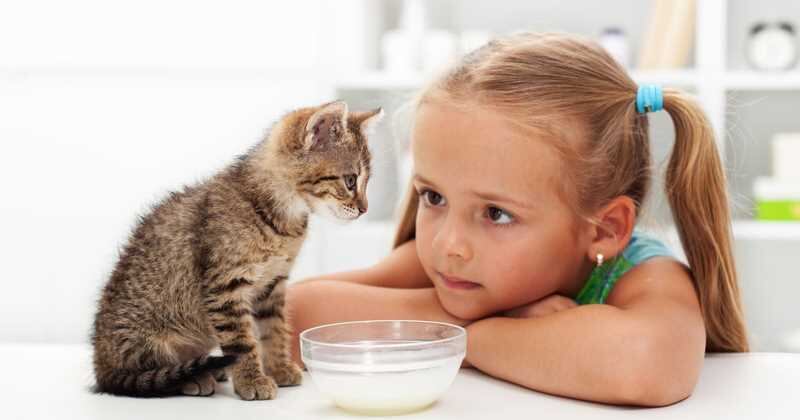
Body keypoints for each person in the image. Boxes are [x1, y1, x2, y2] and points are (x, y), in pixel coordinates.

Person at [286, 32, 749, 407]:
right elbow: (289, 317)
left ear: (605, 230)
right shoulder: (454, 265)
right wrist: (510, 327)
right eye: (434, 196)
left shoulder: (645, 275)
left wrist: (466, 337)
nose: (449, 243)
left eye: (496, 213)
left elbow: (646, 365)